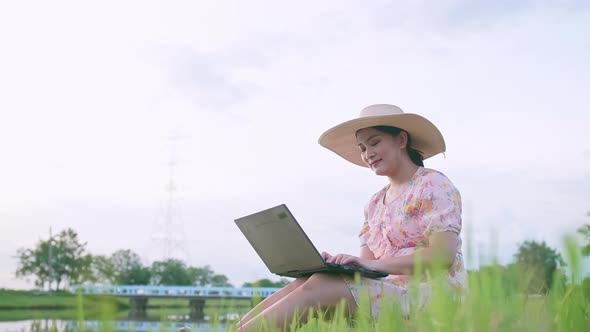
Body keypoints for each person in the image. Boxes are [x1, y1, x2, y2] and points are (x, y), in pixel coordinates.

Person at [235, 104, 466, 331]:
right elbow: (367, 269)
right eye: (363, 148)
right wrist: (338, 265)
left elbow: (442, 257)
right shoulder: (374, 204)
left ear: (401, 140)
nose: (368, 154)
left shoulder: (432, 184)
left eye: (374, 142)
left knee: (318, 287)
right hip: (386, 288)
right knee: (308, 280)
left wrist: (373, 264)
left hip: (429, 296)